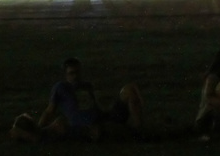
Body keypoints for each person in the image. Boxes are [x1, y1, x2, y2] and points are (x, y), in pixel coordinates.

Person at [14, 58, 143, 142]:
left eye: (77, 72)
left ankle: (139, 127)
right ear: (65, 75)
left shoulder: (86, 86)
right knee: (104, 130)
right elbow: (49, 111)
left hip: (103, 118)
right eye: (71, 73)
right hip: (87, 127)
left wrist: (106, 111)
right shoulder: (61, 87)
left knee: (129, 89)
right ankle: (136, 134)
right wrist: (40, 129)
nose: (75, 76)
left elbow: (95, 106)